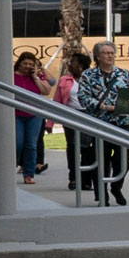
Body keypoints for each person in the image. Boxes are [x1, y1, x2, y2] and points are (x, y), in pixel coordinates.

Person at [72, 42, 129, 207]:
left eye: (112, 53)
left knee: (123, 159)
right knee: (101, 160)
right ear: (98, 56)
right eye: (106, 53)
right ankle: (102, 195)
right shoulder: (88, 75)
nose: (110, 56)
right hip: (101, 123)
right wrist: (105, 106)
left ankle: (116, 187)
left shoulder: (123, 73)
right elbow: (83, 98)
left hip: (123, 121)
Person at [12, 52, 55, 184]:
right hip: (16, 113)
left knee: (31, 144)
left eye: (30, 64)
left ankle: (29, 174)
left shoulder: (36, 76)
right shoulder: (11, 76)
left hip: (34, 115)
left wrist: (35, 77)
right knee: (18, 143)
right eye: (25, 63)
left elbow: (47, 91)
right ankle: (12, 166)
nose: (27, 66)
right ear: (19, 63)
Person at [56, 53, 90, 191]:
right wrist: (50, 123)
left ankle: (86, 179)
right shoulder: (65, 80)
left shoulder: (91, 79)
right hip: (70, 115)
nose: (70, 65)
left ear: (81, 66)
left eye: (73, 62)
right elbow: (57, 101)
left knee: (87, 148)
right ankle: (74, 178)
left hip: (88, 116)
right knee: (73, 147)